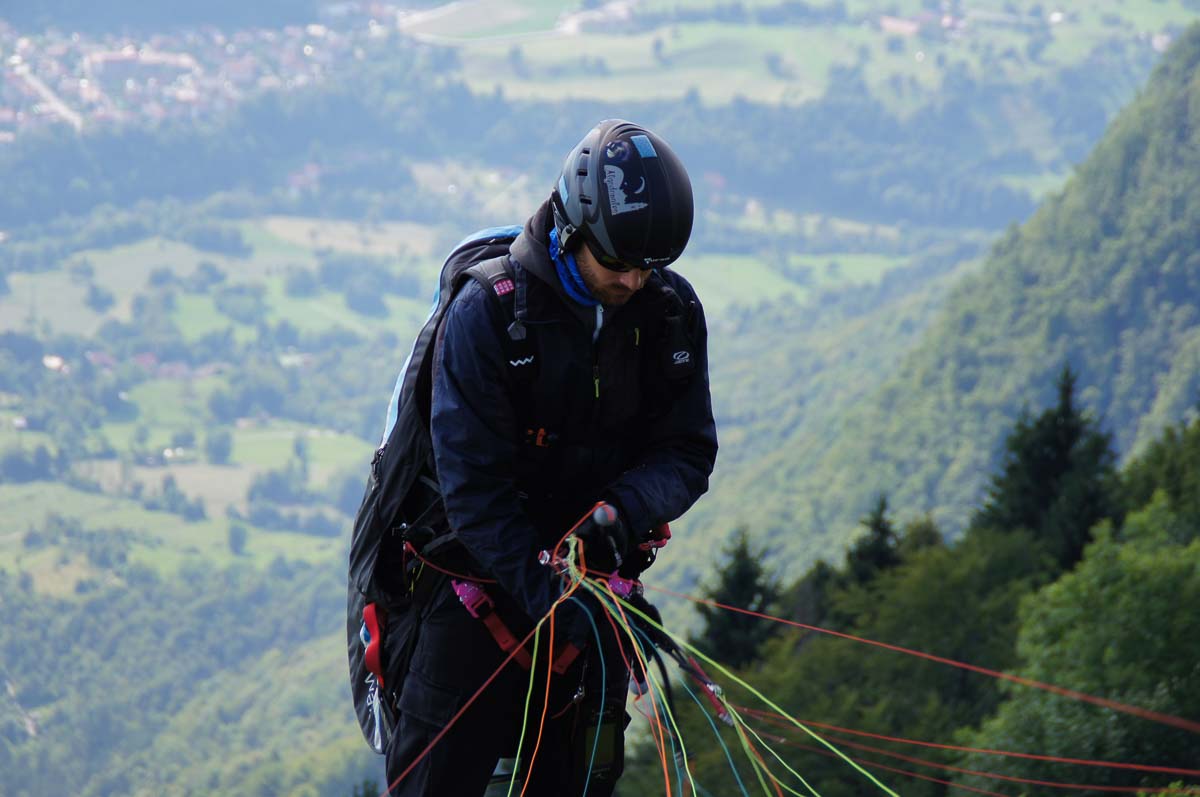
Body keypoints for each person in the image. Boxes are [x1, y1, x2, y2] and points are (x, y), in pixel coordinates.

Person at [384, 119, 718, 796]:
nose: (634, 280)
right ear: (572, 231)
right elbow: (473, 494)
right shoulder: (489, 315)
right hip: (472, 594)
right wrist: (553, 596)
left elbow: (688, 449)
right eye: (618, 263)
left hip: (592, 596)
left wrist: (621, 511)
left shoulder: (669, 313)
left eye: (649, 265)